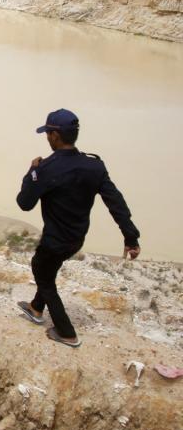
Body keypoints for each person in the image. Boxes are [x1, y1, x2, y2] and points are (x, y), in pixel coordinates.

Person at [16, 109, 140, 348]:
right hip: (77, 238)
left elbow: (24, 203)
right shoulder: (94, 167)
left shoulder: (46, 169)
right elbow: (116, 203)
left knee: (42, 272)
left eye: (48, 133)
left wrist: (31, 172)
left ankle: (66, 332)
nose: (47, 138)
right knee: (49, 269)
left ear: (54, 135)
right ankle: (35, 307)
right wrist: (130, 237)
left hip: (55, 240)